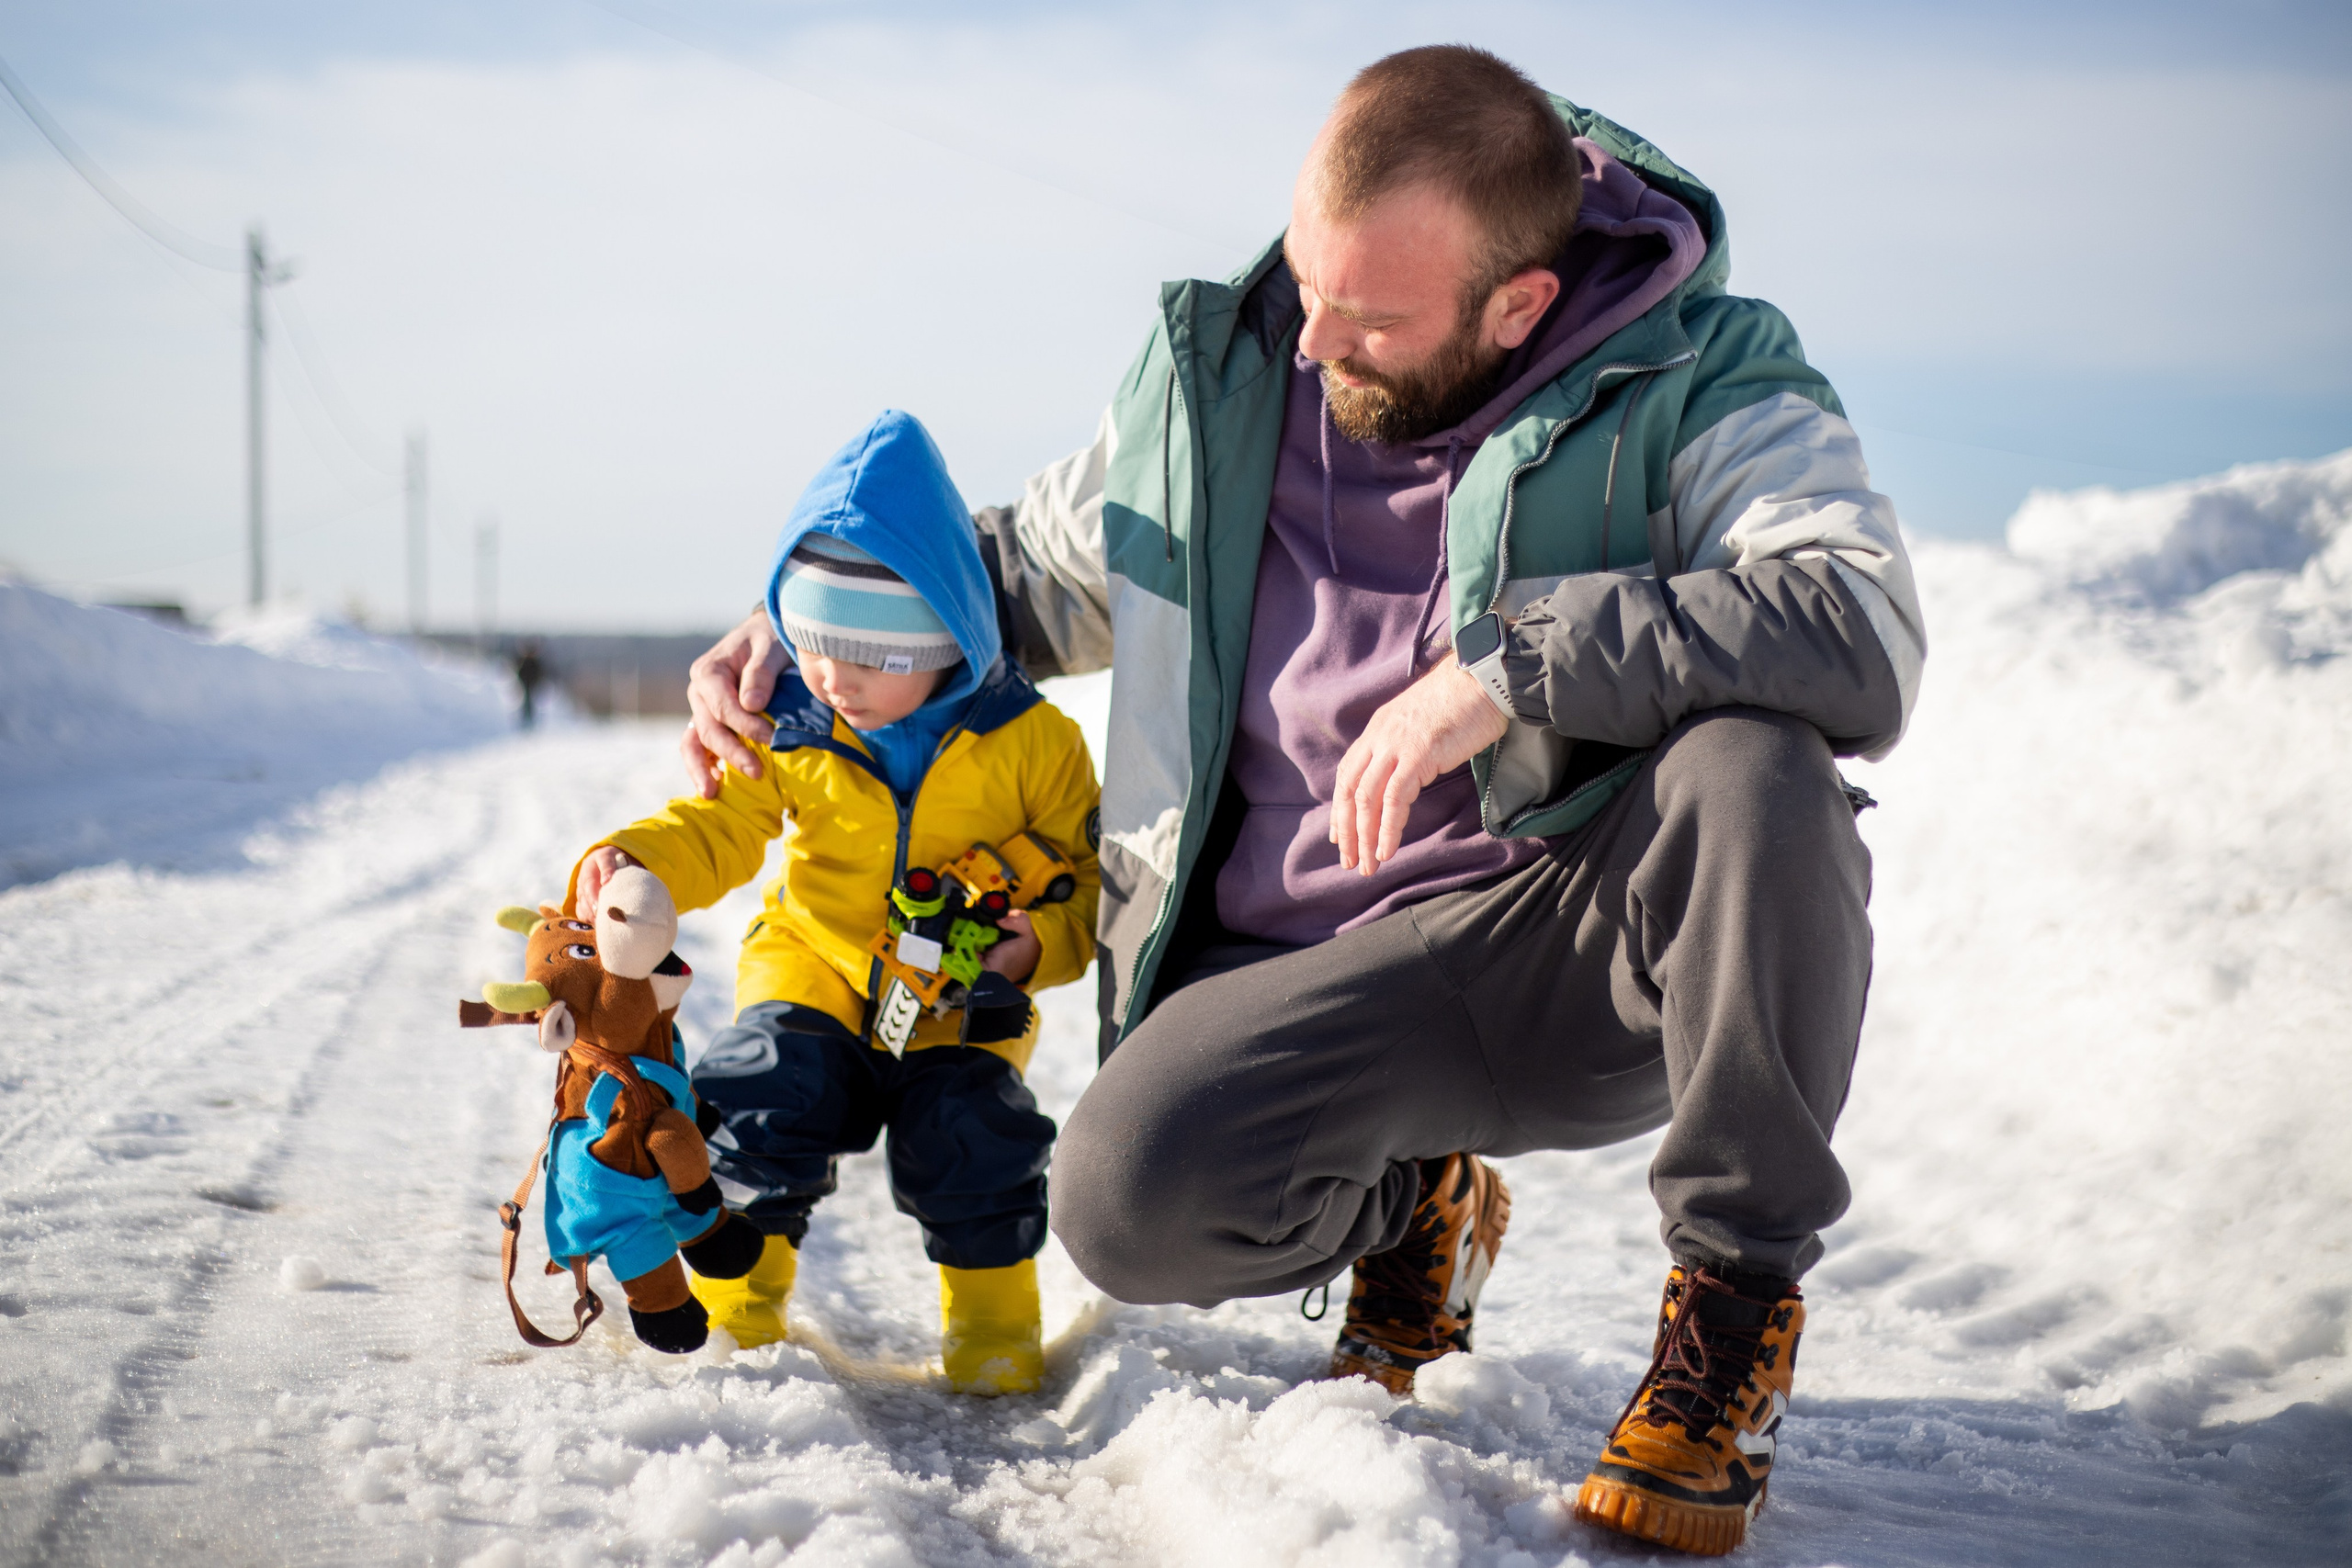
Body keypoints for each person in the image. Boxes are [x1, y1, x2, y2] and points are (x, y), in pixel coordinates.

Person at [680, 48, 1922, 1555]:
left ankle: (1728, 1317)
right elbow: (1003, 578)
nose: (1317, 342)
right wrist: (794, 641)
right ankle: (1417, 1207)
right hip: (1303, 974)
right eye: (1309, 285)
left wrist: (1512, 665)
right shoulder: (1231, 385)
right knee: (1122, 1203)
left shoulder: (1699, 372)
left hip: (1569, 938)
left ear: (1516, 305)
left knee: (1761, 764)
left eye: (1375, 319)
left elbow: (1852, 625)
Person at [572, 410, 1101, 1395]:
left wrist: (1035, 952)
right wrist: (635, 859)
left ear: (954, 631)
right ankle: (738, 1302)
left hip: (955, 995)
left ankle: (992, 1327)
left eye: (873, 656)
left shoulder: (1039, 746)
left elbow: (1086, 882)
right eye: (812, 641)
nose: (832, 676)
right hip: (813, 964)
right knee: (763, 1095)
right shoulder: (801, 725)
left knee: (970, 1133)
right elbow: (718, 828)